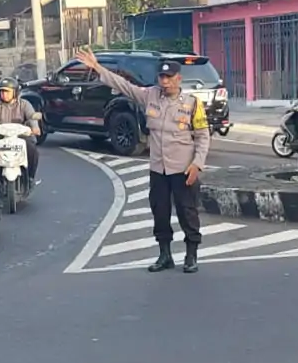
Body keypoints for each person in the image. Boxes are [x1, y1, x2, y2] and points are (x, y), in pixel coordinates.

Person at [73, 47, 209, 273]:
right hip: (158, 169)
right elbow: (124, 85)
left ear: (179, 79)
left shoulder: (192, 104)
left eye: (169, 77)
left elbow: (203, 136)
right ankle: (165, 255)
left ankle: (191, 255)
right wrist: (97, 67)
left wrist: (197, 164)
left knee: (187, 212)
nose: (165, 82)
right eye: (162, 77)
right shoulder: (150, 96)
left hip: (183, 169)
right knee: (160, 212)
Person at [0, 76, 41, 183]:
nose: (4, 94)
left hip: (21, 137)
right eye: (2, 91)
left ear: (15, 92)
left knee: (32, 151)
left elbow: (31, 116)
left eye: (7, 91)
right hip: (0, 137)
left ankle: (30, 177)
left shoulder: (24, 104)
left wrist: (35, 127)